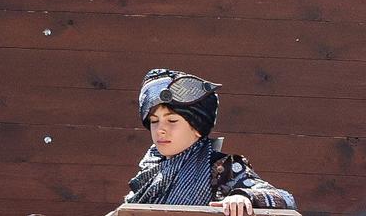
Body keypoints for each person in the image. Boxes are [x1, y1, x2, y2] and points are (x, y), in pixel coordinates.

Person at [116, 69, 294, 213]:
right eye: (154, 121)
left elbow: (285, 199)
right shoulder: (150, 169)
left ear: (196, 127)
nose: (160, 129)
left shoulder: (221, 168)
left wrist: (243, 197)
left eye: (172, 121)